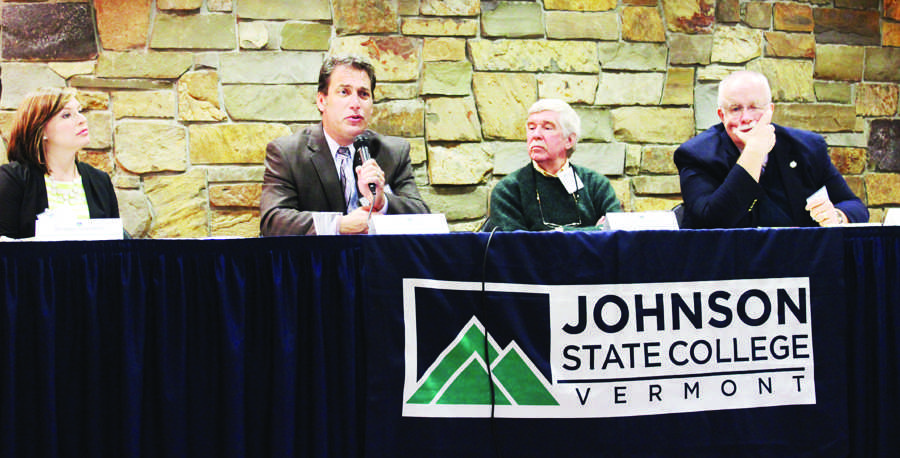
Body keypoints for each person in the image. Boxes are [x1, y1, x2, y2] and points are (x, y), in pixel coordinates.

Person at [260, 54, 429, 235]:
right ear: (321, 101)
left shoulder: (393, 152)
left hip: (375, 260)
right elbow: (273, 220)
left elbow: (423, 217)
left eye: (363, 94)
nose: (355, 103)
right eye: (344, 92)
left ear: (371, 105)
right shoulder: (287, 153)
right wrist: (339, 225)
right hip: (317, 260)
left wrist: (382, 202)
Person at [674, 70, 868, 229]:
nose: (746, 118)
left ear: (770, 110)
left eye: (754, 107)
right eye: (735, 109)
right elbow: (711, 222)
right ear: (721, 115)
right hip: (728, 266)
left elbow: (855, 206)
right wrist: (754, 152)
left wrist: (837, 216)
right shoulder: (696, 155)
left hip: (798, 263)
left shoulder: (807, 148)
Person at [0, 87, 120, 239]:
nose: (82, 119)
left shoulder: (100, 181)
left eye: (79, 111)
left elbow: (117, 246)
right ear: (41, 130)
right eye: (67, 115)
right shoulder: (12, 180)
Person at [486, 99, 621, 231]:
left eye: (547, 128)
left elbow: (617, 235)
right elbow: (518, 247)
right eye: (531, 128)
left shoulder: (596, 185)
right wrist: (593, 231)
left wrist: (555, 234)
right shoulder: (509, 190)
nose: (536, 135)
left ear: (569, 140)